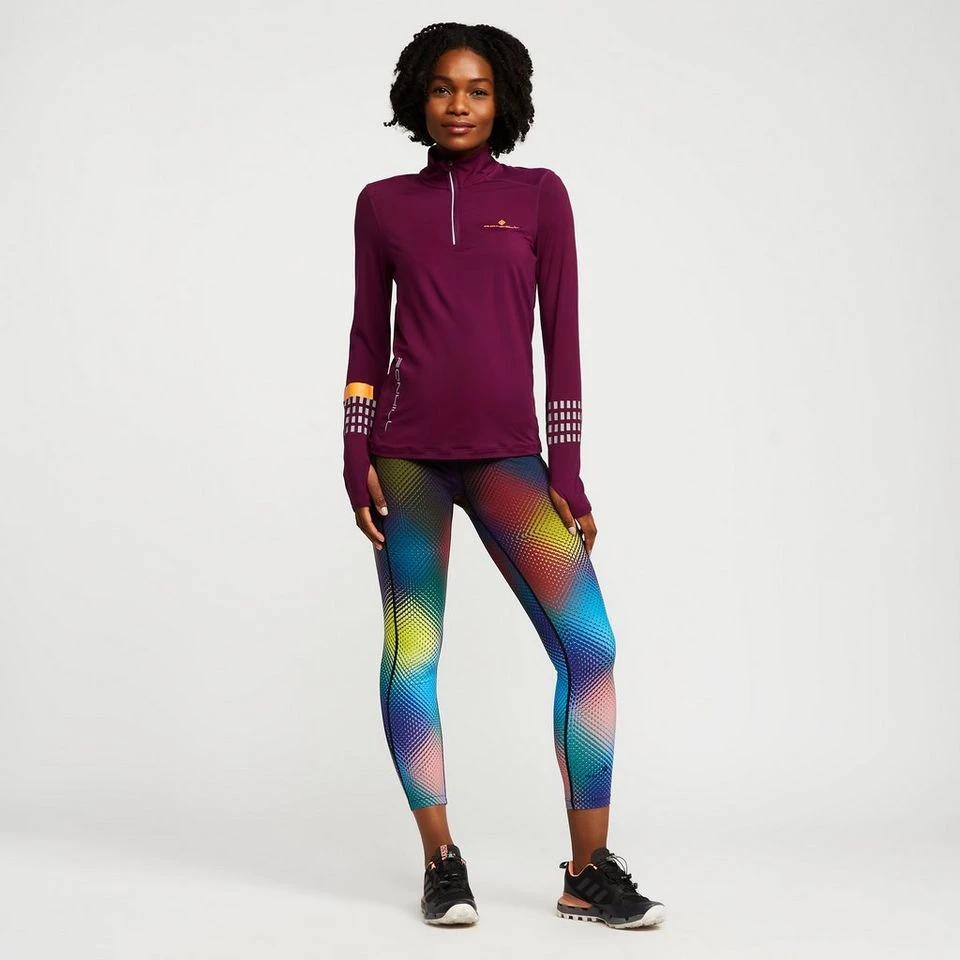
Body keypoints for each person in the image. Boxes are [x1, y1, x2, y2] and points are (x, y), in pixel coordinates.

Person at [341, 22, 666, 930]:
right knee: (413, 654)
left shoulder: (538, 197)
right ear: (419, 97)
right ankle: (441, 860)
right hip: (406, 461)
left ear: (503, 101)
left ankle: (588, 870)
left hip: (506, 460)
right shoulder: (382, 204)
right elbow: (366, 336)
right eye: (444, 88)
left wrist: (569, 469)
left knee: (590, 648)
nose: (459, 105)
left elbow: (564, 342)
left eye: (477, 90)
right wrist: (353, 453)